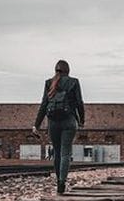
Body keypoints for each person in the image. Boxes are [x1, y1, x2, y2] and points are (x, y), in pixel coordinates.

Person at [33, 59, 85, 194]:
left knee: (57, 153)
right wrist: (82, 121)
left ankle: (58, 181)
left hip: (53, 122)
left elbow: (44, 104)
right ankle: (62, 181)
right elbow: (80, 103)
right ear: (68, 71)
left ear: (55, 70)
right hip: (69, 121)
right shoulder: (74, 82)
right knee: (65, 152)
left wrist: (36, 125)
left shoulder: (49, 83)